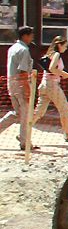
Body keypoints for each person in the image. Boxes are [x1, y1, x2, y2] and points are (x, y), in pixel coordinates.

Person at [33, 35, 68, 147]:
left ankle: (25, 132)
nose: (66, 48)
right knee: (64, 109)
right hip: (52, 86)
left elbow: (52, 70)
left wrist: (65, 75)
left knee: (38, 112)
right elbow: (52, 69)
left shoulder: (49, 54)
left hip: (44, 85)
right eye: (65, 45)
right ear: (59, 44)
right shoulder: (56, 54)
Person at [0, 26, 36, 156]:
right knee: (25, 114)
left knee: (18, 113)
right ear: (25, 36)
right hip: (21, 84)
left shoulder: (12, 48)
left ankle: (23, 139)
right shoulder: (24, 50)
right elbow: (23, 72)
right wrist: (27, 90)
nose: (32, 37)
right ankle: (25, 143)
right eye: (31, 35)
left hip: (12, 83)